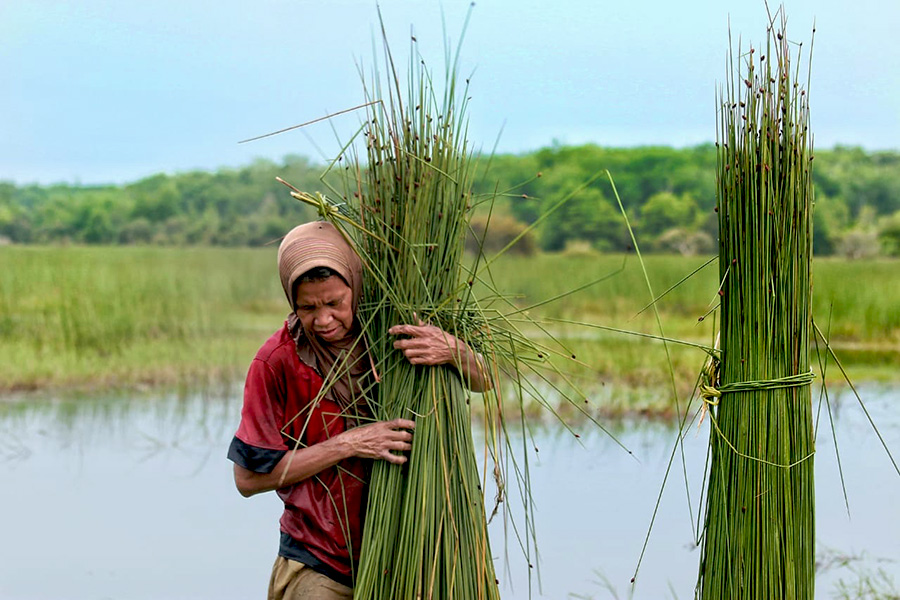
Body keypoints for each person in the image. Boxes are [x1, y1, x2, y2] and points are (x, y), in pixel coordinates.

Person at [227, 221, 488, 600]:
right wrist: (349, 444)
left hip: (413, 556)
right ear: (290, 300)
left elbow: (488, 380)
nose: (324, 320)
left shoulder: (397, 330)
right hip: (319, 560)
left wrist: (455, 351)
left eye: (335, 303)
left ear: (355, 285)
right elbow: (248, 481)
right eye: (307, 307)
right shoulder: (276, 362)